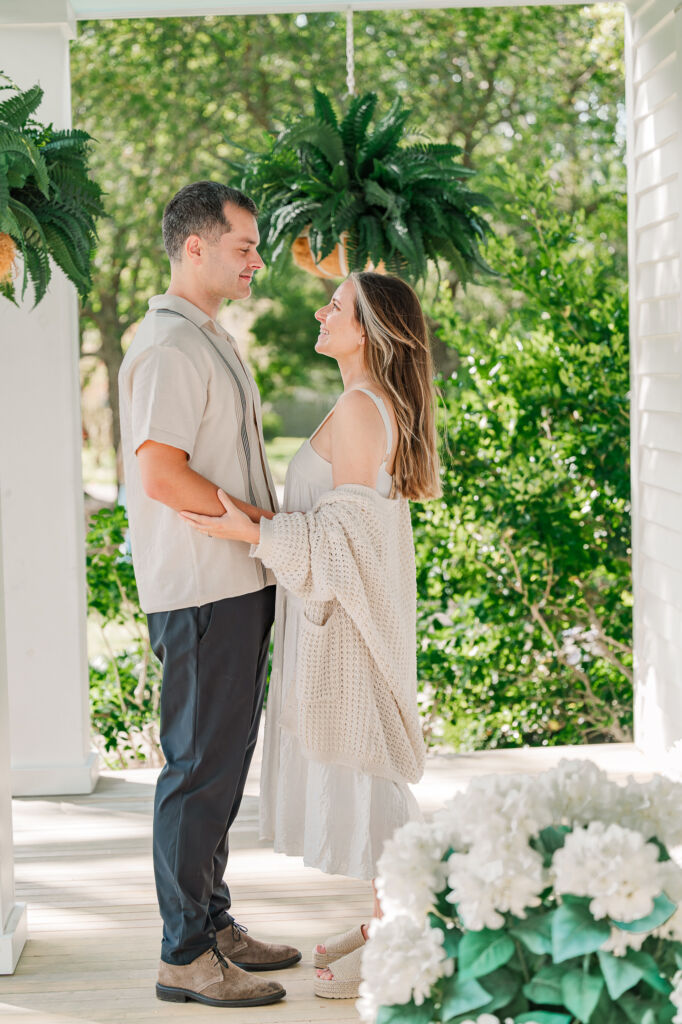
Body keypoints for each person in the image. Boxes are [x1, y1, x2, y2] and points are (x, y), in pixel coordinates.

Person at [181, 270, 441, 999]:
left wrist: (251, 530)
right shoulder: (362, 403)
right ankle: (387, 924)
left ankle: (402, 942)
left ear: (369, 330)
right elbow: (344, 535)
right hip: (342, 625)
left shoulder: (363, 410)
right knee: (368, 780)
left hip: (348, 635)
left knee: (371, 785)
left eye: (338, 306)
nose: (322, 311)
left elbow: (346, 546)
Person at [118, 181, 301, 1009]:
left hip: (235, 582)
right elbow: (160, 472)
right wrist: (260, 526)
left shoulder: (206, 337)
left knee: (221, 768)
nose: (258, 260)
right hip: (203, 589)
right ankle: (183, 955)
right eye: (244, 247)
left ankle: (213, 921)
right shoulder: (167, 347)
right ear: (195, 246)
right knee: (196, 772)